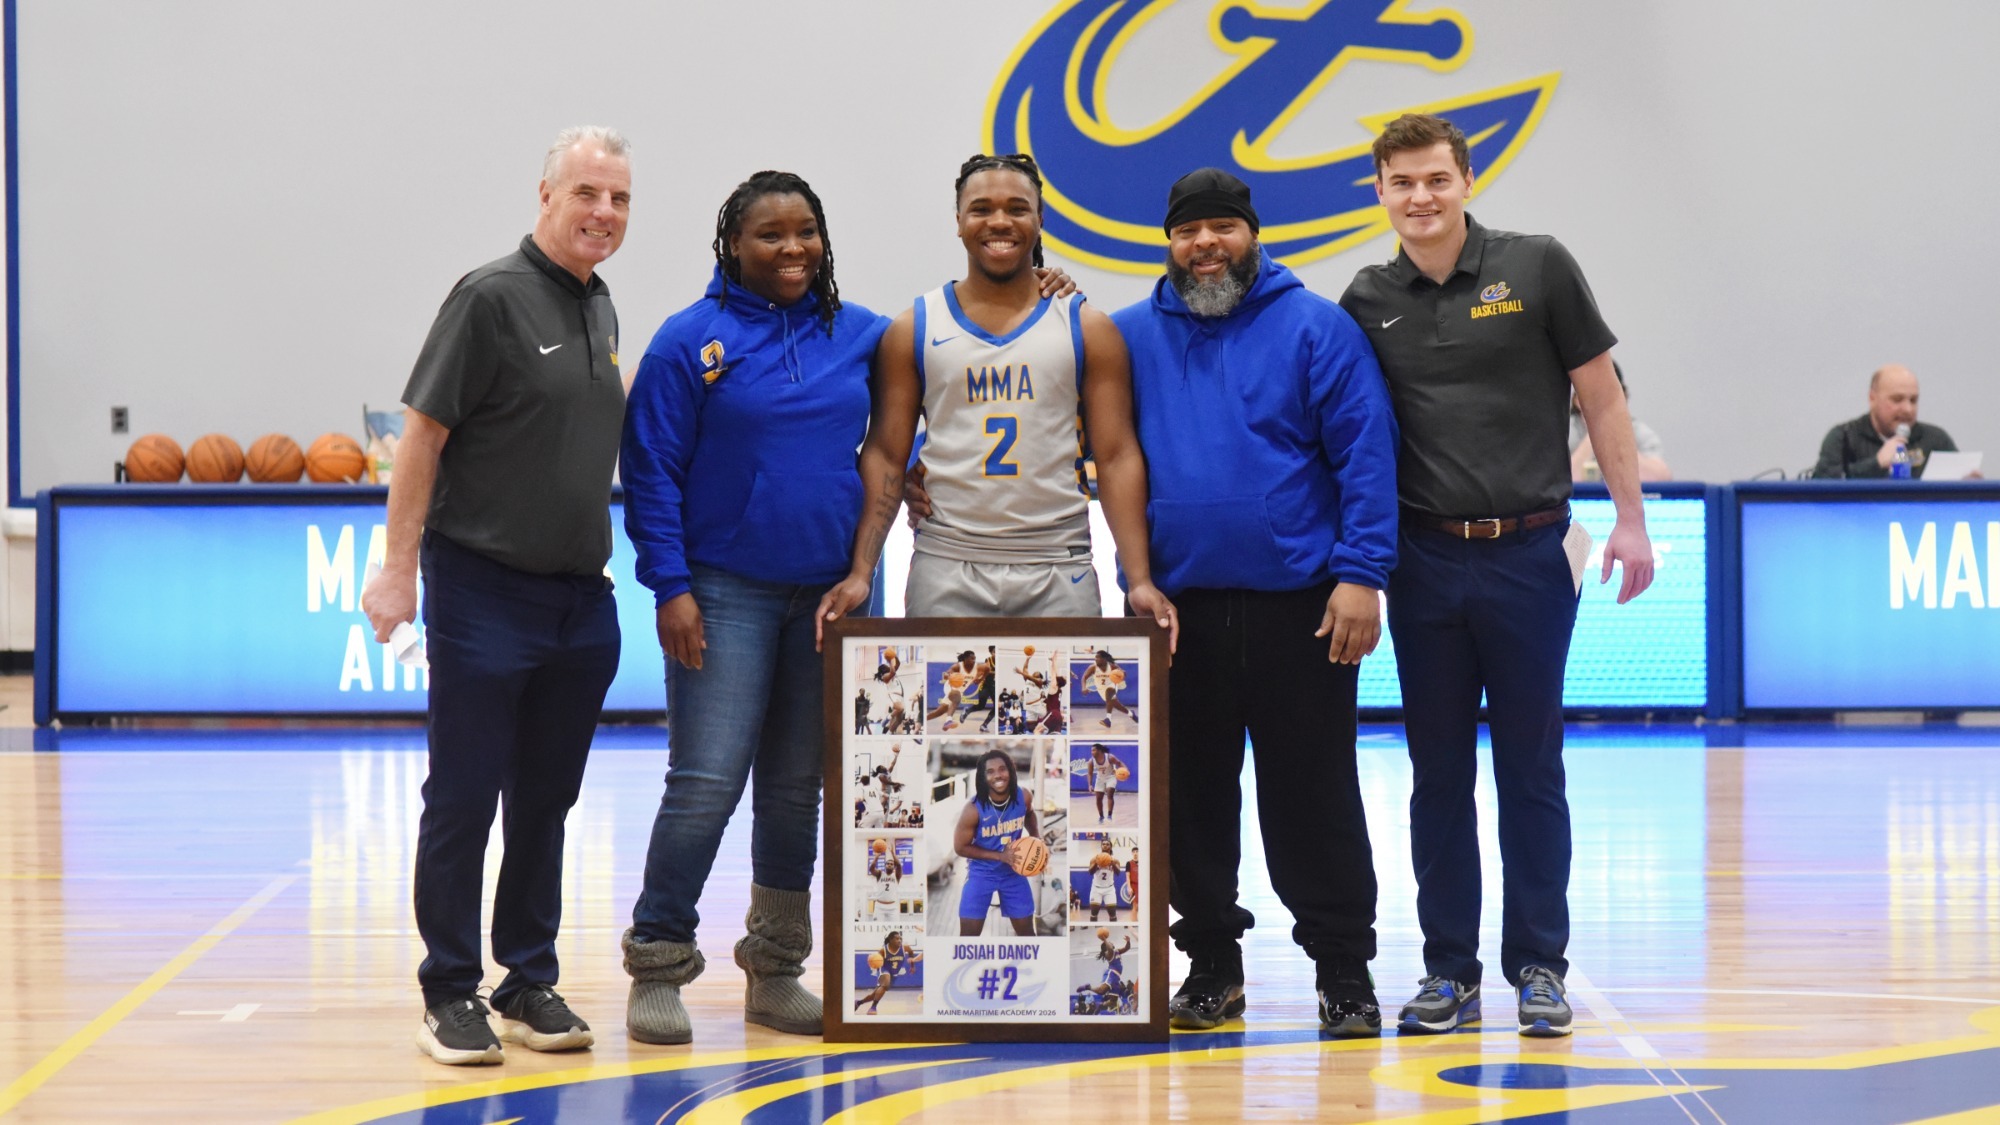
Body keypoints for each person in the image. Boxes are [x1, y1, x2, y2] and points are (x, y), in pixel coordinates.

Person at [1338, 113, 1656, 1038]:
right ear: (1381, 191)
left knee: (1531, 769)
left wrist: (1631, 521)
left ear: (1465, 180)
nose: (1420, 197)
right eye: (1402, 182)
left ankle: (1541, 968)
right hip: (1425, 561)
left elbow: (1601, 394)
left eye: (1436, 179)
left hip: (1529, 554)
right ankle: (1449, 972)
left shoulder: (1540, 265)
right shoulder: (1365, 298)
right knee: (1436, 774)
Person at [359, 125, 631, 1067]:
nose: (605, 212)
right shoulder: (488, 297)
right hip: (483, 589)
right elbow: (422, 435)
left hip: (580, 600)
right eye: (588, 193)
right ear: (546, 195)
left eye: (621, 199)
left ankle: (526, 978)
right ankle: (448, 988)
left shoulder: (601, 309)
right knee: (465, 796)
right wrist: (398, 567)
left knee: (547, 801)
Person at [1113, 167, 1399, 1038]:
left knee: (1313, 794)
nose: (1205, 245)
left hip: (1302, 605)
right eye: (1187, 230)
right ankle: (1211, 966)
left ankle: (1343, 971)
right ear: (1168, 242)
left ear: (1252, 235)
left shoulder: (1318, 327)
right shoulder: (1125, 337)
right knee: (1190, 800)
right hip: (1179, 613)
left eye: (1223, 228)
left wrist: (1362, 573)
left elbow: (1365, 454)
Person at [617, 170, 894, 1046]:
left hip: (830, 594)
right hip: (723, 589)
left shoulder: (863, 336)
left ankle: (776, 970)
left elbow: (962, 352)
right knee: (705, 783)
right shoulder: (687, 341)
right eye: (770, 234)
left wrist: (1051, 284)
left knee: (794, 788)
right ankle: (658, 961)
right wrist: (672, 586)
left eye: (806, 231)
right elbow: (651, 471)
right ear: (732, 245)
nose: (792, 249)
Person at [815, 154, 1175, 638]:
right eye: (981, 208)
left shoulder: (1086, 326)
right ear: (959, 223)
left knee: (1059, 715)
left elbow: (1115, 456)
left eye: (1017, 208)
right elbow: (885, 453)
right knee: (947, 714)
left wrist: (1139, 580)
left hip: (1057, 561)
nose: (999, 221)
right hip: (947, 560)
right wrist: (863, 572)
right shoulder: (914, 327)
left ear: (1041, 221)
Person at [1812, 364, 1964, 479]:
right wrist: (1877, 463)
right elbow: (1820, 486)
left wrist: (1969, 483)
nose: (1908, 409)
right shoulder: (1844, 437)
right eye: (1897, 399)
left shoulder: (1935, 439)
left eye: (1913, 400)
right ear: (1872, 398)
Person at [953, 749, 1041, 936]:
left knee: (1028, 935)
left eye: (1002, 769)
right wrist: (1000, 856)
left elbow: (1030, 813)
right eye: (990, 771)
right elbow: (960, 847)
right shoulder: (972, 809)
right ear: (983, 777)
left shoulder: (1023, 796)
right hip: (982, 872)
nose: (998, 775)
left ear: (1011, 771)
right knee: (968, 937)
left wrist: (1036, 837)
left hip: (1014, 872)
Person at [1570, 364, 1669, 481]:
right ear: (1577, 400)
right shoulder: (1563, 432)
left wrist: (1617, 438)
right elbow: (1564, 482)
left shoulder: (1638, 431)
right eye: (1594, 393)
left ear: (1623, 397)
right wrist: (1595, 434)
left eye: (1609, 393)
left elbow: (1661, 478)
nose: (1601, 401)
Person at [853, 931, 921, 1015]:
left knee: (875, 994)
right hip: (884, 970)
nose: (899, 940)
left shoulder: (905, 948)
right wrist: (873, 963)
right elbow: (876, 962)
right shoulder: (883, 950)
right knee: (885, 984)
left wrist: (912, 966)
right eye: (897, 939)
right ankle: (873, 1007)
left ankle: (858, 1002)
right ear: (890, 940)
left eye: (900, 938)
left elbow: (911, 953)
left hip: (894, 973)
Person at [1086, 742, 1125, 824]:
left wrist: (1125, 770)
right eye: (1091, 751)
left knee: (1110, 793)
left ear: (1099, 750)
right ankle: (1101, 816)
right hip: (1100, 779)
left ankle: (1109, 815)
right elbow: (1089, 773)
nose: (1092, 752)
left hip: (1111, 777)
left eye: (1093, 750)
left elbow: (1119, 763)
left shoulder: (1110, 757)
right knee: (1098, 799)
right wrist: (1089, 785)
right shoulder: (1091, 761)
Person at [1085, 839, 1123, 921]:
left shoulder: (1115, 860)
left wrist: (1112, 863)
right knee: (1094, 914)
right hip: (1096, 889)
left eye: (1107, 844)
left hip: (1109, 889)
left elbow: (1118, 873)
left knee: (1112, 914)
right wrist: (1097, 863)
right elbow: (1090, 872)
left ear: (1110, 846)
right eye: (1103, 844)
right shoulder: (1094, 859)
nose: (1105, 845)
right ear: (1101, 846)